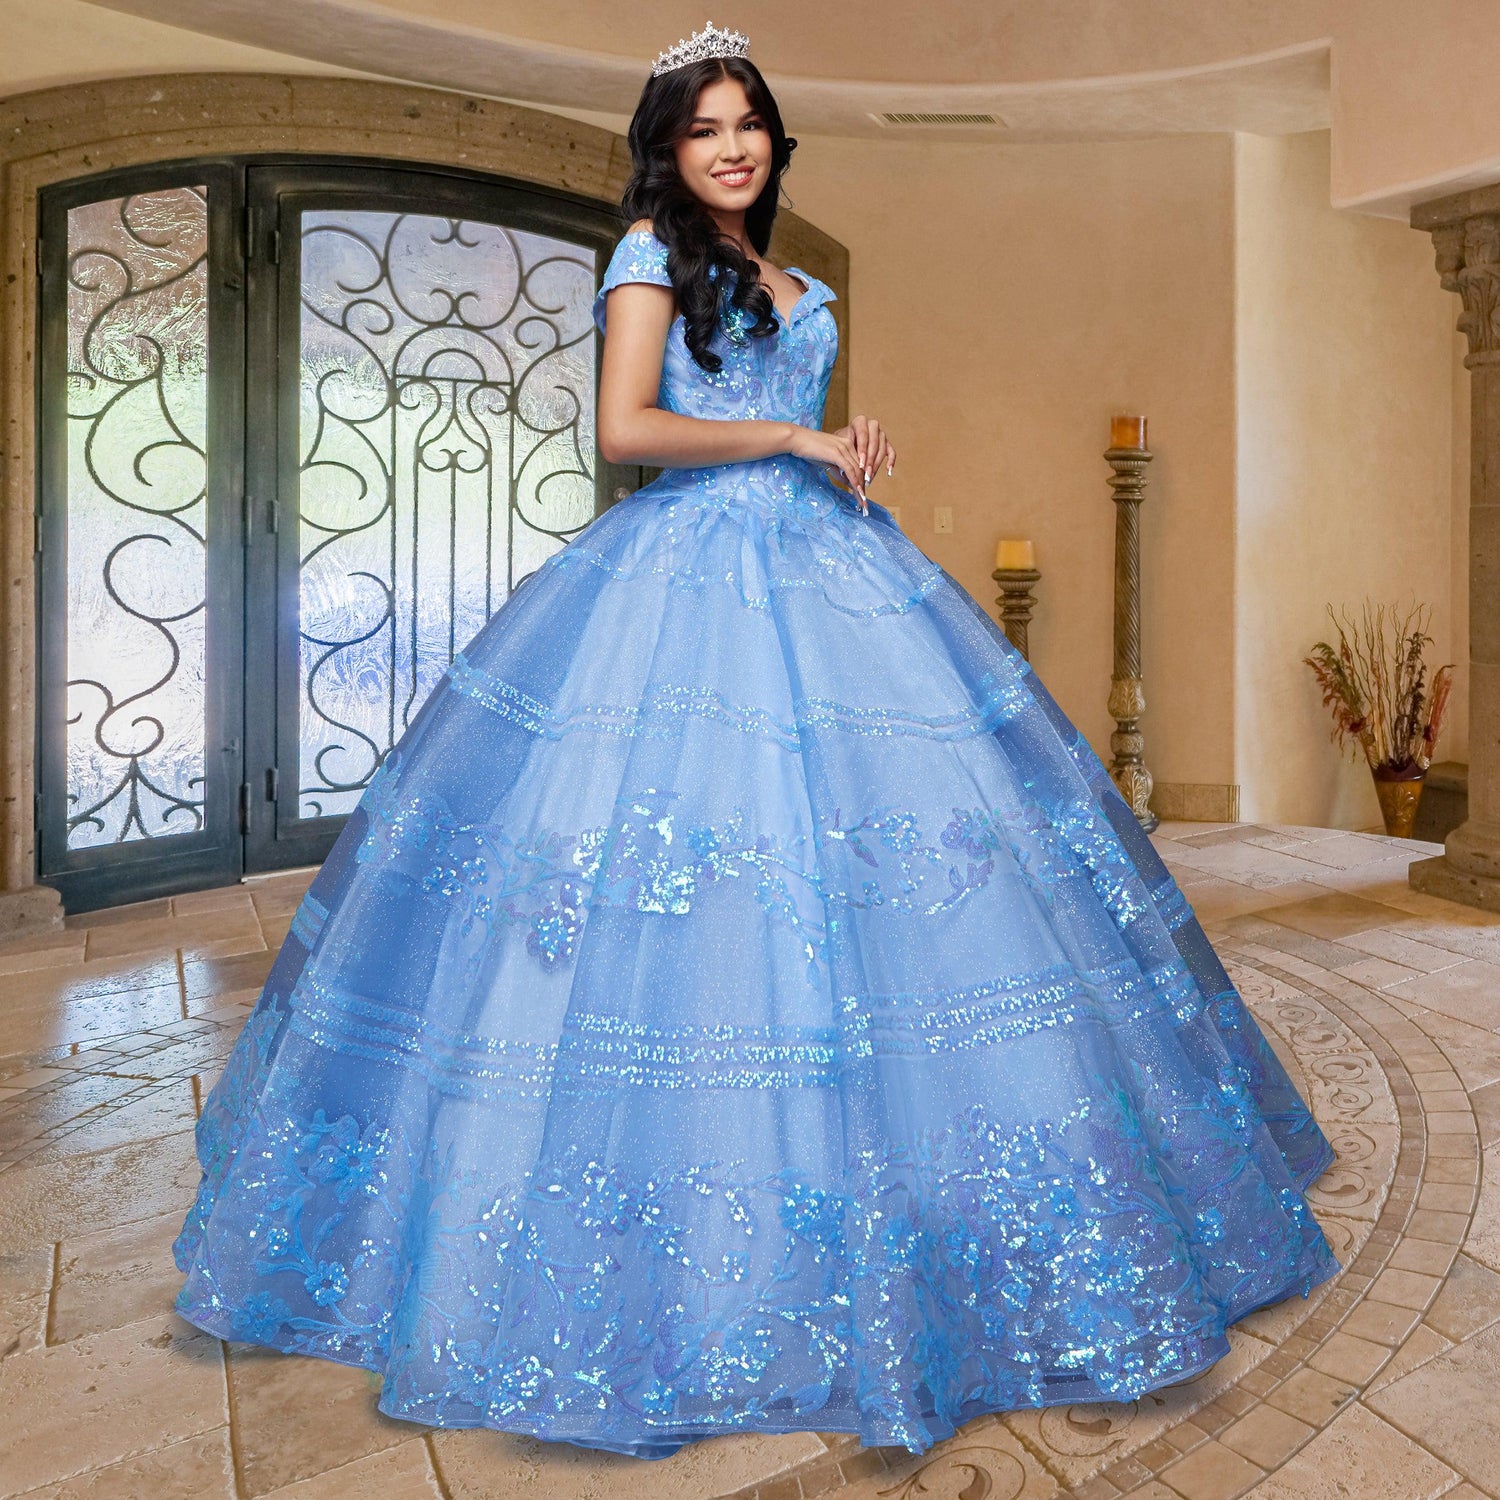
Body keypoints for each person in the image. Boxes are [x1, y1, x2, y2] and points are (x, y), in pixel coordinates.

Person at [173, 21, 1339, 1461]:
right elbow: (626, 425)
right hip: (680, 583)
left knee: (915, 879)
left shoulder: (806, 283)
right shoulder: (648, 261)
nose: (731, 146)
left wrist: (838, 452)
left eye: (749, 124)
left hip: (836, 570)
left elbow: (771, 409)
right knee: (685, 878)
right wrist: (791, 442)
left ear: (777, 141)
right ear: (668, 149)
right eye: (704, 127)